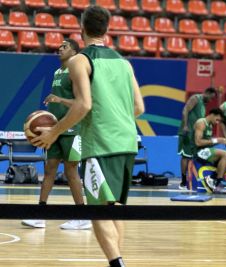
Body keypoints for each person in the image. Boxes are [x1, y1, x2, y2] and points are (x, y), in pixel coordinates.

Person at [32, 6, 145, 267]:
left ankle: (117, 264)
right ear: (107, 29)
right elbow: (139, 108)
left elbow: (83, 105)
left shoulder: (79, 61)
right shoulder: (124, 63)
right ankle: (120, 262)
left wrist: (54, 132)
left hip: (100, 144)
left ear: (82, 29)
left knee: (97, 210)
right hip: (127, 143)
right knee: (114, 208)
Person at [22, 39, 92, 230]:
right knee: (49, 170)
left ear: (75, 52)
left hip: (71, 129)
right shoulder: (57, 72)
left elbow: (82, 102)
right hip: (55, 129)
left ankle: (82, 216)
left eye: (65, 46)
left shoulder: (76, 72)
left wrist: (59, 98)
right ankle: (40, 215)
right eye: (59, 46)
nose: (60, 48)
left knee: (71, 172)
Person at [177, 87, 218, 190]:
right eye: (211, 97)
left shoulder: (203, 106)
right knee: (185, 156)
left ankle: (191, 180)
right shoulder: (195, 98)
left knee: (192, 156)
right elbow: (185, 110)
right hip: (187, 132)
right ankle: (183, 182)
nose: (211, 100)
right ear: (207, 93)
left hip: (194, 135)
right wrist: (185, 126)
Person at [193, 108, 226, 194]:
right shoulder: (201, 123)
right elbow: (198, 142)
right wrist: (217, 140)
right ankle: (217, 184)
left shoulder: (210, 126)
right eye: (217, 120)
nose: (217, 123)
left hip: (206, 151)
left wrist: (221, 141)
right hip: (198, 153)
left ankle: (212, 178)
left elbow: (208, 143)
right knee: (224, 154)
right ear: (213, 115)